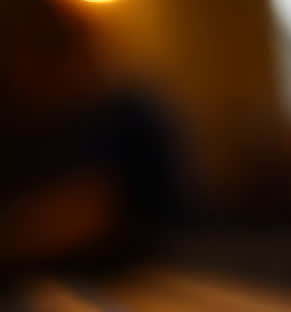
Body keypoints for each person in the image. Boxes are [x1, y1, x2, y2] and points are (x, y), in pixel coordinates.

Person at [0, 0, 190, 268]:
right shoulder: (14, 123)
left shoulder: (130, 113)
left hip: (144, 276)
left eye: (44, 51)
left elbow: (185, 223)